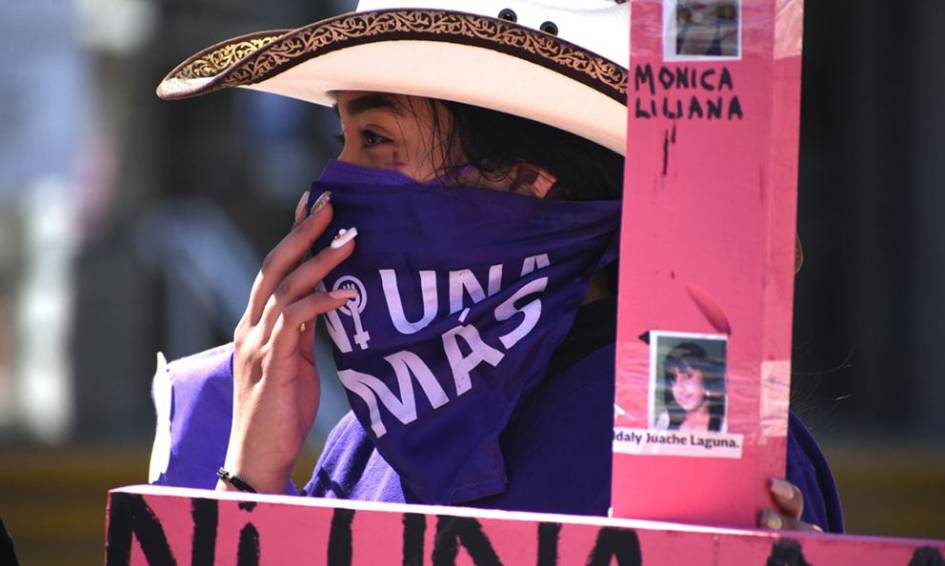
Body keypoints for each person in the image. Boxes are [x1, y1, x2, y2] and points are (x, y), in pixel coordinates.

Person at [149, 0, 843, 534]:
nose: (330, 185)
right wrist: (252, 480)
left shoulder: (694, 440)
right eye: (344, 139)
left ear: (523, 185)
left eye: (376, 139)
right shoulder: (371, 440)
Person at [655, 342, 726, 432]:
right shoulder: (664, 422)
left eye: (687, 376)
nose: (679, 388)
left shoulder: (726, 423)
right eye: (672, 379)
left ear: (706, 377)